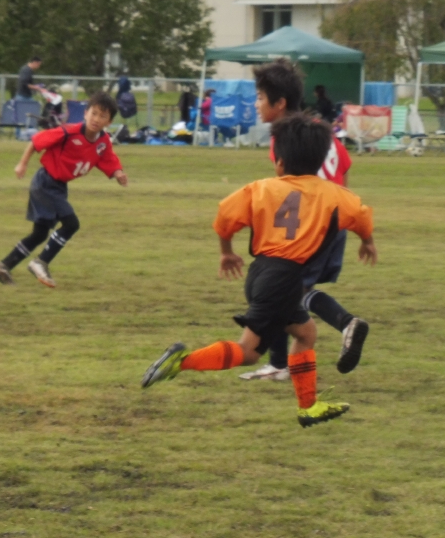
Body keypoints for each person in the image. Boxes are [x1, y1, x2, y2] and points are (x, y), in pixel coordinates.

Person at [142, 113, 378, 428]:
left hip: (263, 273)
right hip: (284, 280)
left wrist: (227, 252)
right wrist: (367, 242)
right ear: (320, 160)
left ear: (279, 162)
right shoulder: (332, 193)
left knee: (306, 333)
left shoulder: (260, 188)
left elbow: (225, 215)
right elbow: (361, 215)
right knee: (249, 351)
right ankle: (181, 361)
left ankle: (309, 406)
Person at [240, 61, 369, 382]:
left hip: (309, 225)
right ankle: (281, 362)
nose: (256, 104)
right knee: (292, 293)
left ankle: (345, 324)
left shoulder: (285, 138)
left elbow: (287, 190)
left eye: (260, 97)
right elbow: (345, 168)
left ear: (280, 103)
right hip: (335, 222)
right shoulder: (320, 130)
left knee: (280, 290)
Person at [0, 91, 128, 289]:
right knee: (71, 224)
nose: (96, 119)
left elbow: (108, 159)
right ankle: (41, 262)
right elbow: (36, 141)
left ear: (109, 121)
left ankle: (2, 267)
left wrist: (118, 173)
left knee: (40, 234)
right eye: (94, 113)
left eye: (103, 116)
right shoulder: (68, 131)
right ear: (86, 113)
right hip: (45, 182)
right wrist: (22, 164)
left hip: (58, 186)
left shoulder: (103, 141)